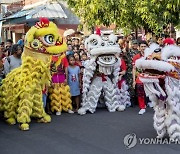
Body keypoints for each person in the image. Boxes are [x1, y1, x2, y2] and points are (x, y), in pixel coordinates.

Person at [132, 40, 148, 115]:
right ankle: (142, 107)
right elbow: (134, 68)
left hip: (150, 76)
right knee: (140, 90)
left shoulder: (150, 56)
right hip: (140, 76)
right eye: (142, 46)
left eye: (144, 46)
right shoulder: (136, 57)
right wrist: (134, 80)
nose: (143, 48)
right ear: (139, 48)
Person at [124, 40, 139, 106]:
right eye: (134, 44)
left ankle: (137, 99)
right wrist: (127, 42)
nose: (135, 45)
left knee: (138, 85)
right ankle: (132, 100)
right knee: (131, 86)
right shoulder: (129, 51)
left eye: (136, 44)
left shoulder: (139, 52)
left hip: (137, 71)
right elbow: (125, 50)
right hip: (130, 71)